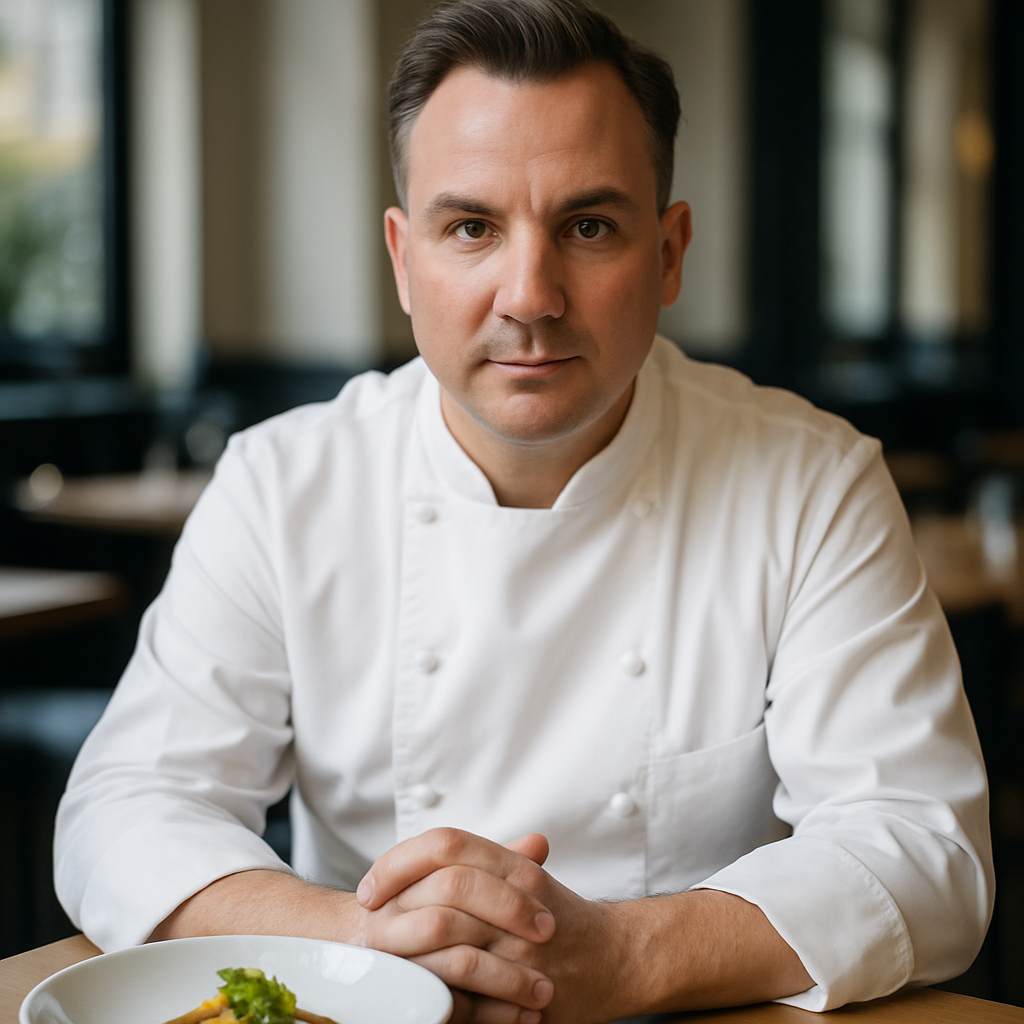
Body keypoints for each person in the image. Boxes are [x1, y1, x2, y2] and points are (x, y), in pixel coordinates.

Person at [55, 1, 993, 1020]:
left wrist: (627, 956)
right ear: (403, 258)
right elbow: (127, 808)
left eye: (588, 227)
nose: (530, 295)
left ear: (669, 253)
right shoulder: (282, 484)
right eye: (471, 228)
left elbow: (922, 847)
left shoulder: (813, 483)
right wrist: (368, 943)